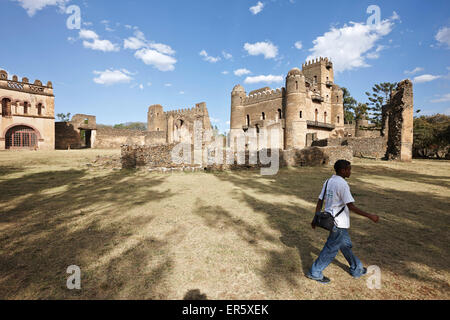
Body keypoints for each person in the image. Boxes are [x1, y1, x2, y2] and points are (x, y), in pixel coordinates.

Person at [307, 160, 379, 284]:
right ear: (342, 170)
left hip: (332, 221)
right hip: (338, 223)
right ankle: (315, 272)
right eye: (349, 169)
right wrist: (369, 216)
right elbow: (351, 206)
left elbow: (320, 201)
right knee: (331, 249)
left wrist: (315, 217)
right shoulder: (343, 184)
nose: (350, 172)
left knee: (345, 246)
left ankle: (357, 269)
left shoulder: (328, 181)